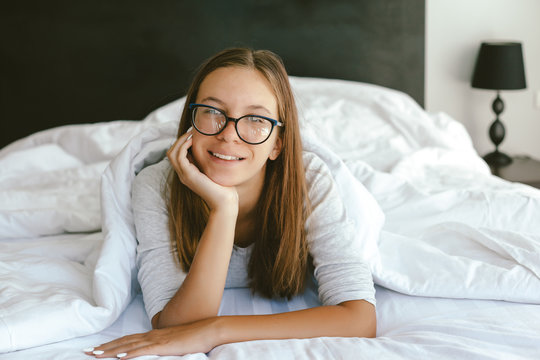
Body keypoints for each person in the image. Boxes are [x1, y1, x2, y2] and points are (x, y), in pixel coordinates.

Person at [87, 48, 380, 359]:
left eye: (255, 119)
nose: (229, 135)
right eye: (213, 112)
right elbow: (176, 326)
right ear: (190, 121)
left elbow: (360, 317)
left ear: (277, 144)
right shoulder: (157, 184)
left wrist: (219, 329)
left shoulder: (308, 181)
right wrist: (224, 209)